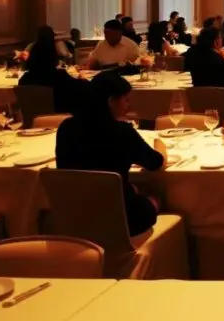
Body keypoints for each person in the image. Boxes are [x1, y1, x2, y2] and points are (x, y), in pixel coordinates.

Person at [56, 72, 167, 237]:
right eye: (125, 99)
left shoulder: (66, 128)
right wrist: (160, 145)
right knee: (158, 196)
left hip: (77, 218)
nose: (128, 105)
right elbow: (156, 163)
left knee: (134, 189)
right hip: (123, 220)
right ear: (110, 101)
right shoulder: (121, 132)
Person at [19, 26, 88, 114]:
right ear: (53, 57)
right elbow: (80, 89)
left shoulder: (24, 80)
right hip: (58, 119)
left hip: (33, 121)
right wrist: (83, 80)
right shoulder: (60, 77)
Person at [185, 27, 224, 113]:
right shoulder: (222, 63)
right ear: (216, 42)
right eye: (221, 38)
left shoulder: (192, 56)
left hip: (199, 111)